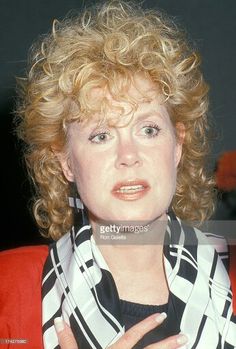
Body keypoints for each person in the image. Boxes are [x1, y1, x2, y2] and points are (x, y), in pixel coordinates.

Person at [0, 1, 236, 348]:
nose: (129, 156)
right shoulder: (8, 288)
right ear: (65, 161)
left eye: (149, 130)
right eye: (101, 135)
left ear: (178, 146)